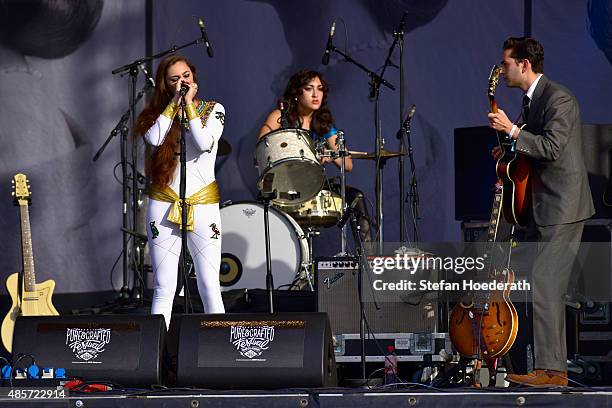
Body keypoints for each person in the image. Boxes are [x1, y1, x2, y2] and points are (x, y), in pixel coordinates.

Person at [488, 37, 594, 386]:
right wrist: (509, 148)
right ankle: (540, 366)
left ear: (524, 64)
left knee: (546, 284)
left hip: (562, 207)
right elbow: (533, 147)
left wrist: (514, 130)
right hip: (541, 206)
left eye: (506, 64)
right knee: (534, 284)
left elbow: (551, 147)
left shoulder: (557, 98)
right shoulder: (532, 100)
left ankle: (554, 372)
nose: (502, 70)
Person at [135, 54, 226, 328]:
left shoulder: (213, 109)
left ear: (194, 76)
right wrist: (174, 105)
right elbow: (153, 139)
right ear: (165, 85)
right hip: (164, 201)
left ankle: (219, 349)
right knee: (164, 285)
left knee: (209, 284)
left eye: (186, 76)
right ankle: (156, 354)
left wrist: (189, 107)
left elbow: (203, 142)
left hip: (202, 204)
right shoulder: (156, 115)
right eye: (175, 79)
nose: (182, 82)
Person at [258, 69, 372, 242]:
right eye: (309, 88)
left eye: (320, 89)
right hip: (285, 185)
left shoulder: (324, 124)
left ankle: (367, 259)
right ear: (297, 93)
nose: (315, 94)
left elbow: (347, 164)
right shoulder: (280, 117)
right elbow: (261, 146)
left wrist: (330, 155)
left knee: (356, 197)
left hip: (315, 184)